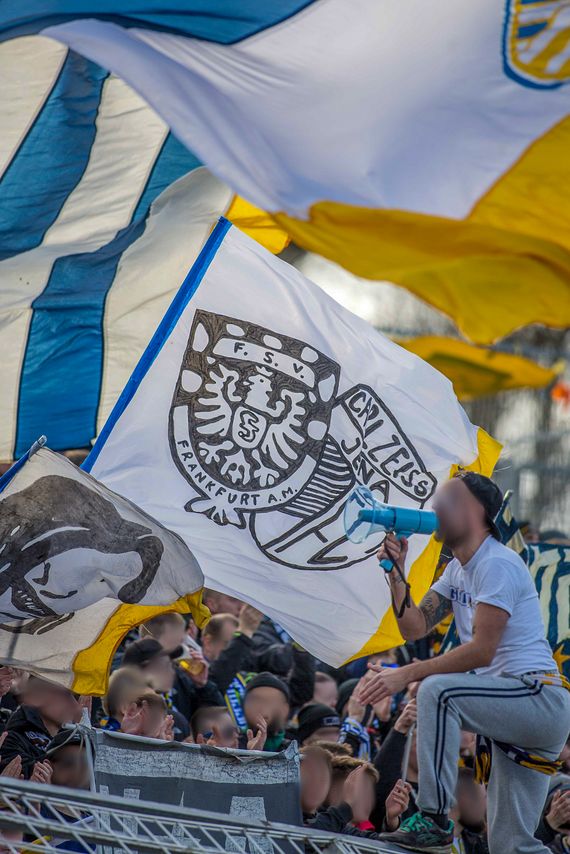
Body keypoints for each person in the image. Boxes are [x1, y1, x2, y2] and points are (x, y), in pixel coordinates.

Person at [359, 471, 570, 854]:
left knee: (437, 692)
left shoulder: (497, 563)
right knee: (510, 846)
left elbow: (482, 651)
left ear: (477, 512)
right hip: (517, 713)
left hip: (536, 699)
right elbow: (414, 626)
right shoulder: (458, 569)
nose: (435, 507)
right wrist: (396, 573)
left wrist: (405, 673)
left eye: (449, 499)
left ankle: (435, 820)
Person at [0, 677, 82, 778]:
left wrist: (83, 735)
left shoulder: (73, 736)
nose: (73, 704)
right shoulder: (13, 736)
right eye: (63, 695)